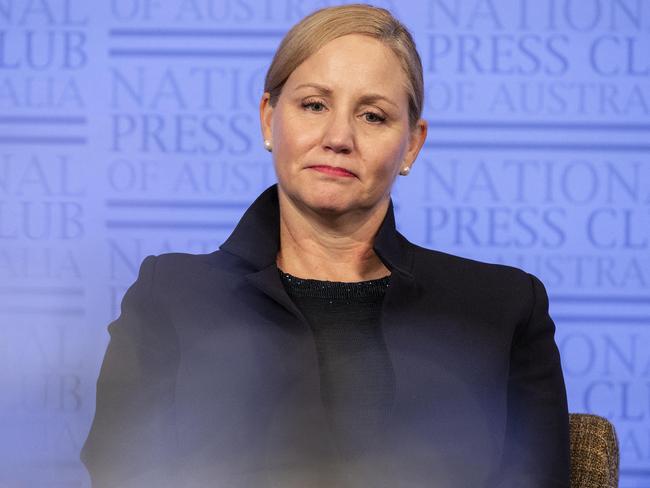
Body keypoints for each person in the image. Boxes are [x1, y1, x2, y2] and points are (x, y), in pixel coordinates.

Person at [81, 4, 569, 488]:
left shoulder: (502, 308)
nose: (338, 137)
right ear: (269, 119)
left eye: (373, 116)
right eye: (314, 105)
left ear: (412, 145)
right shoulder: (171, 294)